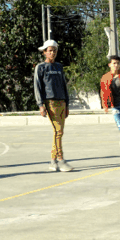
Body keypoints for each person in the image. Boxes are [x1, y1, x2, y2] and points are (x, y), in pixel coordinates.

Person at [33, 39, 73, 172]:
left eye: (54, 50)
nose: (53, 53)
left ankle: (52, 161)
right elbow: (37, 87)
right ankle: (61, 160)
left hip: (62, 102)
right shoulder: (41, 67)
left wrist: (67, 104)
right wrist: (41, 105)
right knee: (58, 131)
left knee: (59, 133)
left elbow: (64, 86)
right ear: (44, 52)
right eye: (50, 50)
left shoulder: (59, 67)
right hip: (50, 103)